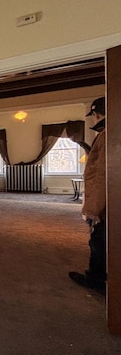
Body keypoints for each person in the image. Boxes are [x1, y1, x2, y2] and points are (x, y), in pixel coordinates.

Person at [69, 97, 106, 294]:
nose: (92, 120)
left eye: (92, 116)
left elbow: (102, 175)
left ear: (96, 113)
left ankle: (97, 279)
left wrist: (93, 209)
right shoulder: (106, 134)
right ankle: (97, 275)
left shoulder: (106, 135)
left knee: (98, 242)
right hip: (104, 203)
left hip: (104, 205)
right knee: (98, 242)